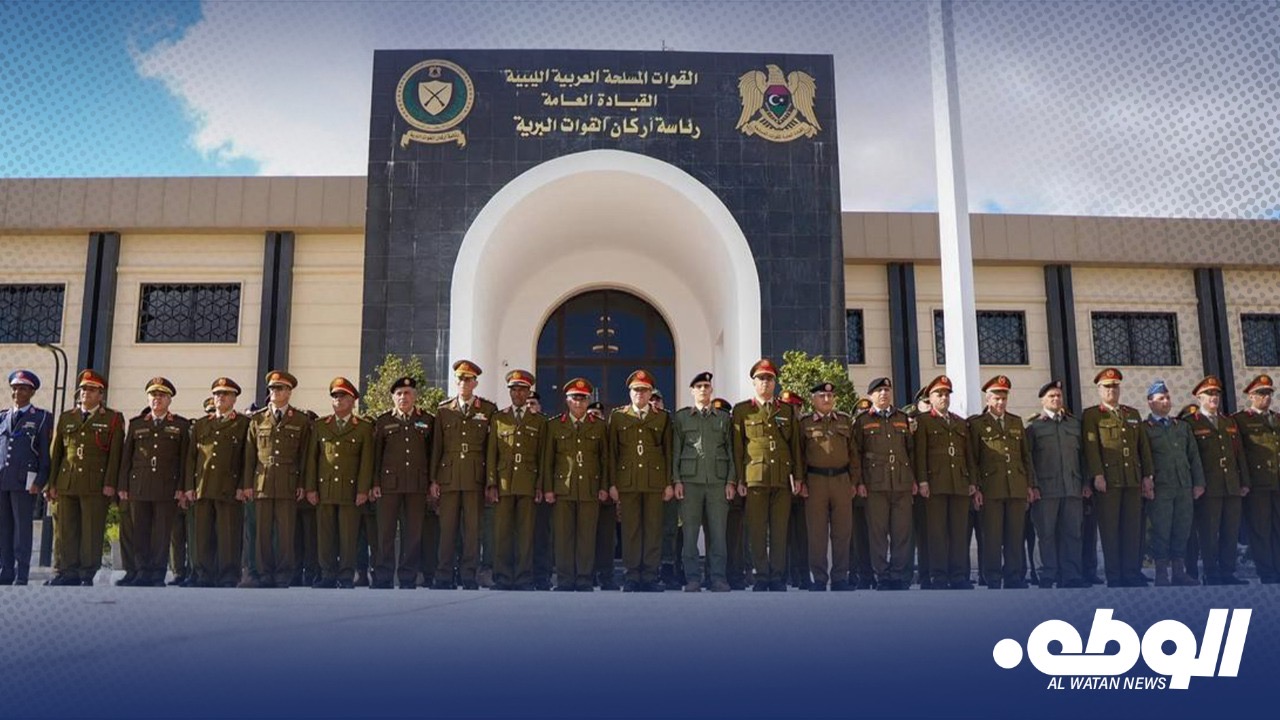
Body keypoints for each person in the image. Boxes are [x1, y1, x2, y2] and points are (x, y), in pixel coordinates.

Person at [45, 369, 124, 586]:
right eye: (83, 389)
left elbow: (115, 455)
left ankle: (86, 572)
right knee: (65, 529)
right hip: (67, 481)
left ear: (101, 394)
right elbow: (57, 453)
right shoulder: (67, 417)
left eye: (91, 390)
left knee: (91, 529)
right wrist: (51, 484)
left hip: (95, 483)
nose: (85, 393)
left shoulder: (112, 418)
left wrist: (110, 483)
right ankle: (65, 570)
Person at [732, 358, 802, 592]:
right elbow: (738, 448)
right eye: (761, 379)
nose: (765, 383)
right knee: (757, 529)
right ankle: (762, 575)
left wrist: (798, 477)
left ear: (775, 383)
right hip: (755, 477)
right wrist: (739, 479)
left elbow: (795, 446)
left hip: (782, 477)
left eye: (770, 379)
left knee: (780, 529)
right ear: (753, 383)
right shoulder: (742, 410)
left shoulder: (786, 410)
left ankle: (777, 576)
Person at [1081, 367, 1153, 587]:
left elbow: (1143, 447)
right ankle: (1114, 575)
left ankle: (1131, 573)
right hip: (1108, 480)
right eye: (1107, 387)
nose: (1111, 390)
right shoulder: (1092, 415)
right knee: (1110, 529)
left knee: (1132, 528)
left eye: (1114, 386)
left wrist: (1147, 476)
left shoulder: (1132, 414)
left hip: (1132, 478)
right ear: (1099, 390)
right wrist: (1097, 474)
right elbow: (1091, 448)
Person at [117, 377, 190, 587]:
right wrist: (123, 485)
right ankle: (141, 571)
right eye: (153, 395)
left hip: (167, 486)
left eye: (162, 395)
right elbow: (127, 457)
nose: (157, 399)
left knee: (161, 533)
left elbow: (185, 460)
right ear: (148, 399)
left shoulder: (179, 425)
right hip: (139, 485)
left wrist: (182, 488)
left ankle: (157, 573)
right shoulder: (137, 424)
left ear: (169, 400)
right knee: (139, 531)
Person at [241, 370, 311, 588]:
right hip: (262, 481)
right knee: (261, 532)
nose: (274, 392)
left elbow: (305, 456)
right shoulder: (257, 419)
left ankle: (283, 574)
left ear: (289, 392)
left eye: (279, 388)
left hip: (288, 482)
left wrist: (302, 484)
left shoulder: (300, 420)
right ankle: (263, 573)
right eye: (272, 388)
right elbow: (249, 455)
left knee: (285, 532)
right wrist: (247, 484)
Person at [432, 360, 498, 590]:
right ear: (455, 381)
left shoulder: (487, 410)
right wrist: (433, 479)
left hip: (474, 476)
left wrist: (490, 480)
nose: (463, 383)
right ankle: (444, 575)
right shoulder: (444, 410)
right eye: (460, 379)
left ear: (475, 383)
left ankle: (469, 575)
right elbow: (437, 447)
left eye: (468, 379)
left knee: (472, 531)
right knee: (447, 530)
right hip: (449, 476)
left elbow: (491, 449)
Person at [607, 369, 674, 592]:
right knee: (631, 530)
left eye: (644, 390)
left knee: (653, 529)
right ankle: (632, 575)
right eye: (636, 390)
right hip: (627, 481)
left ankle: (650, 575)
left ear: (650, 393)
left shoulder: (662, 417)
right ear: (629, 392)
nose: (640, 394)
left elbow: (668, 451)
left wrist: (668, 483)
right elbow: (612, 452)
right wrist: (612, 483)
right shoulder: (618, 416)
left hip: (655, 481)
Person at [541, 378, 608, 591]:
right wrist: (548, 488)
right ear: (567, 401)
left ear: (588, 401)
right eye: (574, 399)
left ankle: (584, 579)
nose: (578, 403)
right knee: (563, 536)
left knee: (586, 536)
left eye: (582, 399)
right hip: (563, 488)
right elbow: (548, 460)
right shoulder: (554, 425)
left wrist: (604, 486)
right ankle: (565, 579)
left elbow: (605, 459)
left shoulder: (599, 426)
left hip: (590, 487)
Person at [306, 378, 373, 588]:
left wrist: (363, 489)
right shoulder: (321, 425)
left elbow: (366, 462)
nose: (338, 400)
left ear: (353, 400)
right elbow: (312, 459)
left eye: (342, 396)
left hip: (350, 490)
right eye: (335, 396)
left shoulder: (363, 427)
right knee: (325, 535)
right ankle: (327, 574)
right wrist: (310, 488)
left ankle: (345, 576)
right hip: (324, 488)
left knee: (348, 535)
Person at [670, 372, 734, 592]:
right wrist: (676, 480)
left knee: (718, 534)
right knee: (689, 534)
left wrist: (731, 481)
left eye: (706, 386)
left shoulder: (723, 418)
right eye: (699, 386)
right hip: (690, 483)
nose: (703, 390)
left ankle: (717, 578)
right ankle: (693, 579)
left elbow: (731, 451)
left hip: (717, 482)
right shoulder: (682, 418)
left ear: (711, 390)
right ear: (692, 391)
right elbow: (675, 452)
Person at [1183, 376, 1250, 585]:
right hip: (1208, 486)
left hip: (1231, 484)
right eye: (1209, 394)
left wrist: (1244, 481)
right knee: (1209, 531)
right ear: (1199, 397)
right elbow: (1190, 457)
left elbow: (1239, 454)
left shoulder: (1228, 422)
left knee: (1230, 529)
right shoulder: (1191, 423)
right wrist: (1196, 483)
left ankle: (1228, 571)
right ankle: (1211, 572)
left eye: (1216, 394)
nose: (1214, 397)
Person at [185, 377, 251, 588]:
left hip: (228, 487)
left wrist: (243, 485)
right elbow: (191, 458)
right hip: (203, 486)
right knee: (202, 534)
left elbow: (246, 457)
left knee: (228, 533)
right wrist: (189, 487)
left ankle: (228, 574)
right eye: (217, 394)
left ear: (234, 398)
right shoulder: (201, 424)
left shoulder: (243, 424)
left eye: (225, 394)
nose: (220, 397)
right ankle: (203, 574)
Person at [911, 375, 975, 590]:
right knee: (936, 532)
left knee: (959, 532)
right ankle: (938, 575)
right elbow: (920, 454)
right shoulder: (923, 421)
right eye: (939, 394)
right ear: (930, 397)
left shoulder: (959, 422)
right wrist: (922, 480)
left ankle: (958, 575)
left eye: (947, 394)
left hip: (959, 482)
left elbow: (968, 454)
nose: (944, 398)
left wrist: (972, 481)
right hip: (935, 483)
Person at [486, 369, 546, 591]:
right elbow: (492, 453)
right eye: (514, 389)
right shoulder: (499, 418)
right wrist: (491, 483)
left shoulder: (539, 421)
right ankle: (502, 576)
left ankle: (523, 577)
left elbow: (543, 456)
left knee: (525, 533)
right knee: (502, 532)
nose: (518, 393)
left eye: (522, 390)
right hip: (504, 483)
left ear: (529, 392)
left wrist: (540, 485)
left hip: (528, 482)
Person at [371, 376, 434, 589]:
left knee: (413, 534)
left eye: (407, 393)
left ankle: (408, 577)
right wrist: (375, 483)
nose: (403, 397)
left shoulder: (426, 420)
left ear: (414, 396)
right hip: (388, 486)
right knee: (385, 533)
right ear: (393, 397)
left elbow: (432, 454)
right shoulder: (383, 421)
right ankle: (383, 577)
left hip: (417, 485)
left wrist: (431, 482)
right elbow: (376, 455)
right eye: (399, 394)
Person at [853, 377, 915, 590]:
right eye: (879, 391)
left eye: (887, 390)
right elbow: (857, 454)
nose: (883, 394)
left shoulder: (902, 418)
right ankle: (882, 575)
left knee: (901, 532)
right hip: (875, 484)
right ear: (870, 396)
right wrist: (860, 482)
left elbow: (911, 451)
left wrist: (914, 479)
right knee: (877, 533)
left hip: (901, 483)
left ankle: (898, 574)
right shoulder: (863, 421)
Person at [1024, 380, 1088, 588]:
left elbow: (1083, 456)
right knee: (1046, 534)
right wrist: (1032, 485)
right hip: (1046, 490)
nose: (1056, 399)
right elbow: (1028, 459)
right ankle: (1047, 573)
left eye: (1059, 395)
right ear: (1042, 400)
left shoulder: (1074, 424)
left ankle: (1071, 575)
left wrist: (1085, 482)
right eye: (1051, 396)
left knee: (1072, 534)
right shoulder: (1034, 427)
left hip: (1072, 487)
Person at [1141, 379, 1204, 586]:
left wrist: (1198, 482)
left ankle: (1179, 571)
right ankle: (1161, 573)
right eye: (1161, 398)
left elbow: (1193, 456)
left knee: (1182, 528)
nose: (1166, 402)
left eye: (1167, 398)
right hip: (1161, 487)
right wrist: (1146, 481)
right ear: (1150, 402)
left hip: (1183, 485)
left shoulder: (1182, 426)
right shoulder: (1145, 428)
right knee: (1161, 529)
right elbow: (1143, 457)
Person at [797, 381, 856, 591]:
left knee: (842, 532)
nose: (826, 399)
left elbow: (854, 453)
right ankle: (819, 578)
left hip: (841, 480)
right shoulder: (804, 423)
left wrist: (854, 481)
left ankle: (840, 577)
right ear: (813, 399)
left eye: (830, 396)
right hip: (816, 481)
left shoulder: (845, 421)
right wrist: (801, 481)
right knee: (817, 533)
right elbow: (799, 455)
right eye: (822, 396)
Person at [0, 370, 51, 585]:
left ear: (32, 392)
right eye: (14, 388)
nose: (17, 392)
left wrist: (40, 480)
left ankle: (21, 573)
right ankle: (5, 570)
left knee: (22, 528)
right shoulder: (3, 416)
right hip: (3, 479)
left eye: (22, 388)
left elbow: (45, 453)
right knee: (4, 527)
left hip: (25, 481)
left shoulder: (41, 417)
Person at [1233, 374, 1280, 584]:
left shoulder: (1277, 418)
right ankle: (1267, 571)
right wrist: (1244, 480)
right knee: (1261, 529)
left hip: (1277, 481)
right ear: (1251, 396)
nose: (1266, 397)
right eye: (1261, 393)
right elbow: (1240, 454)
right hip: (1258, 482)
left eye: (1269, 393)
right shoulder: (1241, 420)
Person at [779, 389, 811, 589]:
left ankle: (803, 574)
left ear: (800, 408)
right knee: (783, 533)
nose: (791, 411)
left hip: (804, 487)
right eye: (788, 407)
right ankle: (784, 574)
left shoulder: (805, 426)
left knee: (803, 534)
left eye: (794, 407)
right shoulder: (780, 425)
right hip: (783, 485)